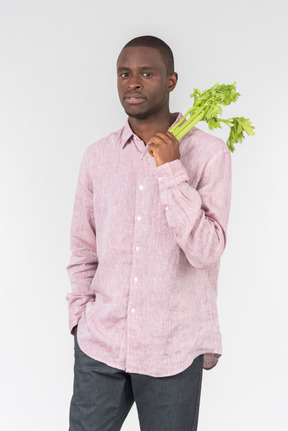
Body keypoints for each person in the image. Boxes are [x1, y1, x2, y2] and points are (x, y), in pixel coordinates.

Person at [66, 35, 232, 431]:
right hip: (100, 345)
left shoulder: (209, 154)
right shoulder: (98, 156)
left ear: (171, 82)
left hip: (172, 349)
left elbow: (208, 250)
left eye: (147, 73)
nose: (133, 83)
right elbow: (82, 248)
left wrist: (171, 168)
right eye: (125, 74)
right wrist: (79, 321)